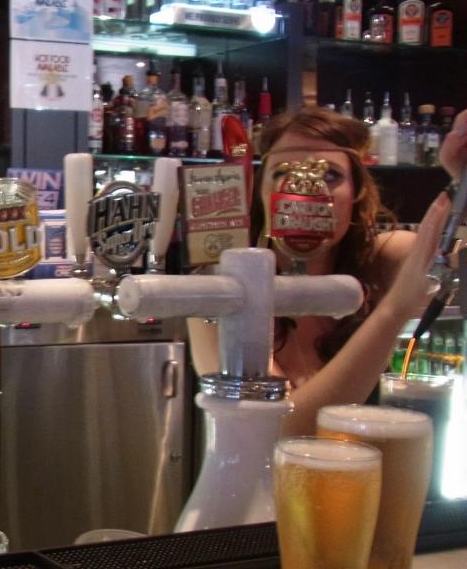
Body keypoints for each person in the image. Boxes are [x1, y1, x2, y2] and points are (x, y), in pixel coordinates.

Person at [190, 106, 467, 435]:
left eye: (329, 175)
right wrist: (394, 311)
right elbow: (275, 431)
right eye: (284, 174)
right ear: (260, 190)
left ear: (356, 192)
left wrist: (462, 181)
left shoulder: (379, 261)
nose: (305, 191)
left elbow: (449, 255)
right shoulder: (218, 292)